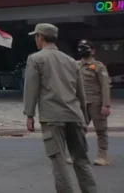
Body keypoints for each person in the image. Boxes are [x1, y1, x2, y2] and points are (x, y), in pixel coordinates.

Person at [24, 23, 97, 193]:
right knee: (81, 160)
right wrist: (84, 117)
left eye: (36, 36)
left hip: (52, 117)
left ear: (40, 37)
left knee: (59, 161)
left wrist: (29, 115)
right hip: (74, 115)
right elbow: (81, 93)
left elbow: (31, 89)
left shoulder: (35, 59)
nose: (36, 40)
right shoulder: (71, 61)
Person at [76, 40, 112, 166]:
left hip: (96, 102)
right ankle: (78, 154)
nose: (83, 50)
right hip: (80, 103)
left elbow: (105, 85)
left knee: (101, 130)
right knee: (78, 129)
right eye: (81, 48)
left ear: (93, 51)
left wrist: (106, 105)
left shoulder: (98, 66)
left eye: (86, 48)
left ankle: (102, 155)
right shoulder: (76, 65)